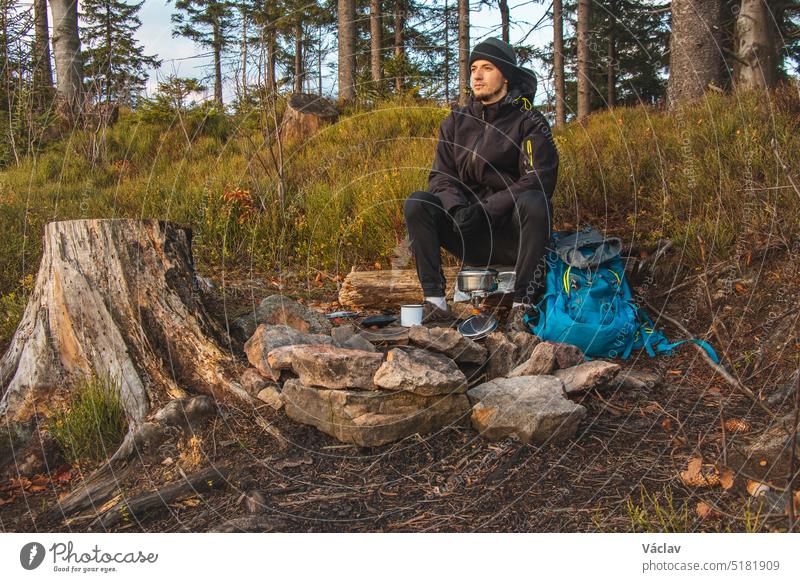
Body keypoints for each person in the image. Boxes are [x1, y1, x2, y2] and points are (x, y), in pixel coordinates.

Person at [403, 37, 559, 332]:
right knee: (419, 202)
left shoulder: (529, 122)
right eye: (474, 67)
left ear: (506, 76)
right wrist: (458, 209)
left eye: (487, 67)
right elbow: (441, 176)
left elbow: (540, 177)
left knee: (536, 201)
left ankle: (521, 308)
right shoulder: (455, 122)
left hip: (512, 235)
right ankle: (436, 304)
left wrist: (487, 209)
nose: (477, 75)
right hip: (469, 232)